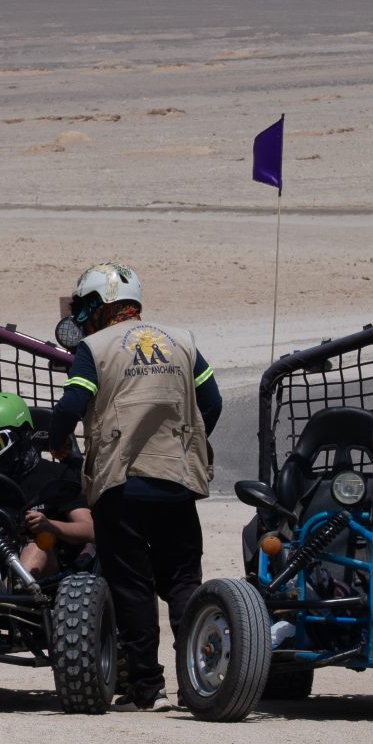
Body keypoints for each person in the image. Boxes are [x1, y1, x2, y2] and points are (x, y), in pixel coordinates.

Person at [42, 263, 221, 707]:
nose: (82, 317)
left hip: (121, 486)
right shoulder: (183, 341)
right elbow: (212, 402)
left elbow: (71, 405)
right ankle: (194, 682)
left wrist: (57, 442)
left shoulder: (95, 348)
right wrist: (185, 444)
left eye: (86, 306)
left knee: (133, 587)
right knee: (182, 582)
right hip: (177, 482)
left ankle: (148, 687)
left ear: (103, 303)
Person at [0, 391, 93, 579]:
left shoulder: (57, 475)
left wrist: (51, 526)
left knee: (37, 545)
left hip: (44, 562)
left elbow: (90, 529)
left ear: (22, 435)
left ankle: (10, 595)